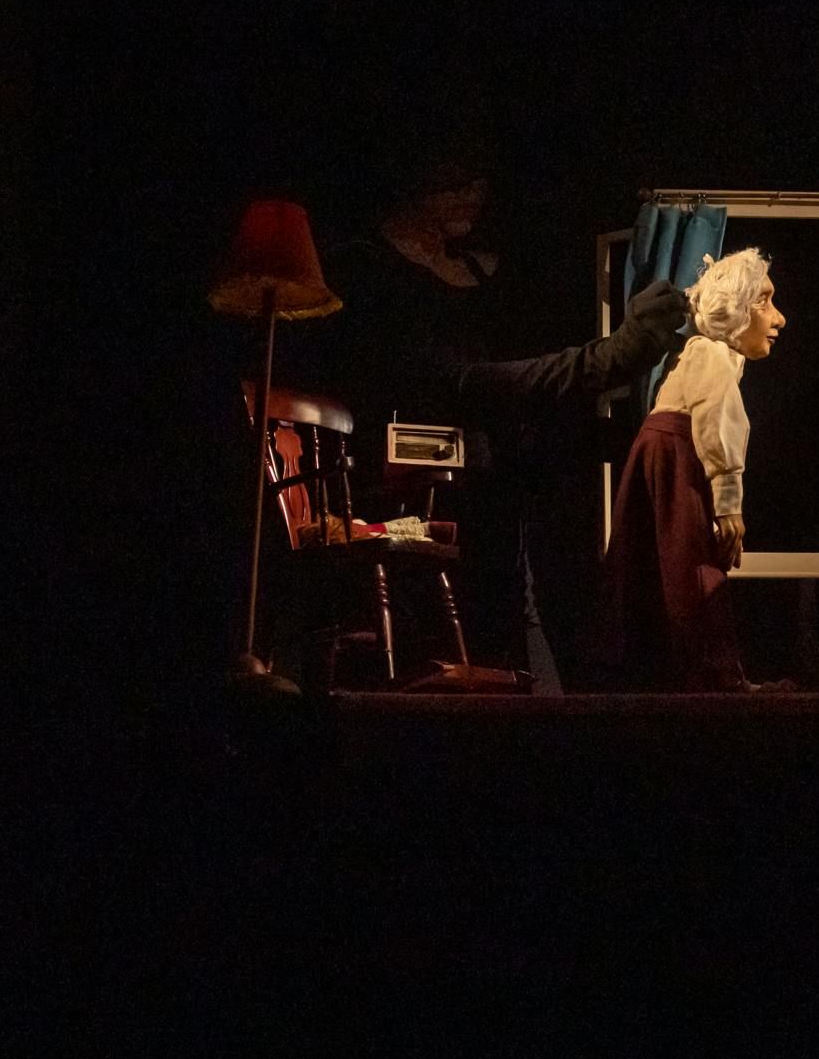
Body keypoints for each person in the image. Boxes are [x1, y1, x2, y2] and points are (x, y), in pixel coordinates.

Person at [280, 149, 689, 690]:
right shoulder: (369, 271)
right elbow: (461, 384)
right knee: (471, 623)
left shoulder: (483, 269)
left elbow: (525, 379)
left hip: (502, 483)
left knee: (525, 615)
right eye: (456, 182)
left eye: (478, 182)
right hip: (405, 488)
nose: (473, 195)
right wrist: (610, 357)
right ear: (416, 183)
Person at [599, 248, 789, 692]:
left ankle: (673, 675)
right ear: (736, 308)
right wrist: (728, 506)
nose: (778, 318)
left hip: (670, 464)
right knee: (690, 571)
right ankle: (709, 678)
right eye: (763, 301)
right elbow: (717, 429)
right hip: (677, 467)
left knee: (665, 569)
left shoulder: (698, 354)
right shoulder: (711, 354)